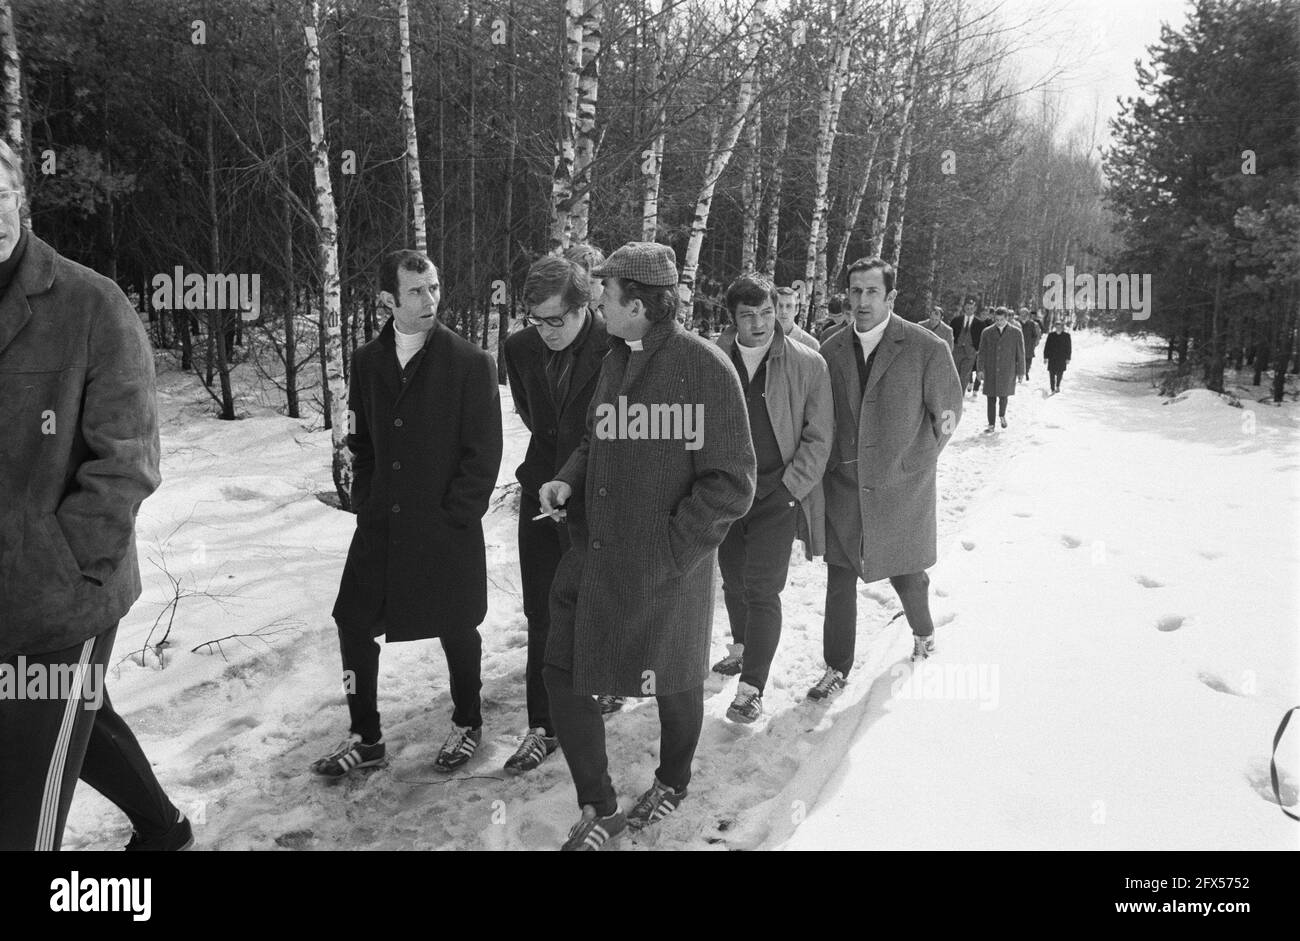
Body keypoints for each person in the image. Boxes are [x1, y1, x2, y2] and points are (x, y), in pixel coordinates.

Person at [0, 139, 191, 851]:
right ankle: (164, 832)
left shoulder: (90, 303)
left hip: (63, 599)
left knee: (20, 818)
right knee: (84, 722)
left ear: (21, 195)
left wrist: (56, 565)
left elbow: (127, 462)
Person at [538, 241, 755, 850]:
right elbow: (593, 439)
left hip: (667, 568)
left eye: (606, 296)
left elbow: (731, 483)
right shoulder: (614, 359)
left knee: (676, 678)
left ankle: (674, 778)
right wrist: (567, 480)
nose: (599, 306)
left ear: (636, 304)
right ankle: (600, 808)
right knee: (562, 670)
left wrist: (671, 551)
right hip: (598, 554)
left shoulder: (706, 369)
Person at [316, 250, 503, 778]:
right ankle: (366, 736)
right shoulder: (366, 362)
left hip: (446, 525)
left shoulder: (470, 363)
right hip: (382, 523)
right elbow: (362, 439)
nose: (430, 300)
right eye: (417, 291)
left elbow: (484, 452)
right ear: (387, 300)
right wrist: (368, 503)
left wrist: (457, 515)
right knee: (351, 621)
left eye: (435, 288)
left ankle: (468, 721)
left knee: (457, 625)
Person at [808, 257, 963, 701]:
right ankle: (836, 668)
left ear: (891, 297)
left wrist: (916, 462)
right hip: (844, 488)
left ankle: (923, 632)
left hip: (901, 488)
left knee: (906, 575)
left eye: (871, 292)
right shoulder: (829, 350)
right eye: (854, 292)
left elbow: (947, 414)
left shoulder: (926, 348)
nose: (861, 301)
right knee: (840, 580)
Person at [501, 256, 611, 772]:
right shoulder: (518, 349)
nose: (544, 331)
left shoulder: (616, 345)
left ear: (583, 306)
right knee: (541, 610)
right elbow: (537, 421)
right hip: (540, 494)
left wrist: (578, 479)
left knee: (598, 605)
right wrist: (547, 482)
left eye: (556, 320)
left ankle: (603, 686)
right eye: (535, 319)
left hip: (599, 495)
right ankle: (543, 725)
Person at [712, 274, 832, 723]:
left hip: (776, 495)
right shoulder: (710, 358)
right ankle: (742, 649)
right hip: (723, 494)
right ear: (733, 318)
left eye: (766, 312)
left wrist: (789, 490)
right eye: (748, 315)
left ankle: (751, 688)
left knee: (763, 589)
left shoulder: (807, 362)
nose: (760, 323)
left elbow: (819, 437)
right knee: (733, 582)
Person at [975, 306, 1025, 430]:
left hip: (1007, 369)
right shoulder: (987, 332)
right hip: (991, 369)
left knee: (1004, 396)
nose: (999, 322)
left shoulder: (1016, 332)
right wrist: (980, 369)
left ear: (1007, 318)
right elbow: (981, 352)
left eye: (1001, 320)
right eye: (996, 319)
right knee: (990, 397)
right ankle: (991, 424)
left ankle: (1002, 415)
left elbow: (1020, 353)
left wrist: (1021, 372)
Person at [949, 297, 984, 394]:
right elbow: (950, 334)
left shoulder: (980, 323)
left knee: (965, 375)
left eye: (972, 308)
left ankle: (960, 395)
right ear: (964, 308)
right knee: (954, 373)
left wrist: (976, 350)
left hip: (970, 352)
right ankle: (951, 394)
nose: (969, 311)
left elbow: (982, 339)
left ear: (975, 309)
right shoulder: (956, 320)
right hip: (957, 350)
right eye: (967, 308)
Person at [775, 286, 820, 350]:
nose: (784, 311)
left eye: (789, 306)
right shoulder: (761, 340)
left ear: (796, 309)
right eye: (780, 306)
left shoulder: (811, 345)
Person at [1043, 321, 1072, 393]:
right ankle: (1052, 388)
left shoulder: (1066, 336)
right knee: (1051, 373)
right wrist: (1045, 357)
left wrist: (1068, 358)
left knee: (1060, 373)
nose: (1058, 328)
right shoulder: (1051, 335)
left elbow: (1069, 348)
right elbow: (1047, 346)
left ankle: (1058, 385)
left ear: (1062, 327)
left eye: (1060, 327)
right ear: (1055, 327)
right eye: (1057, 326)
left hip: (1062, 358)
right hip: (1052, 357)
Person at [1018, 306, 1042, 379]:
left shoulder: (1032, 324)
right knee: (1019, 360)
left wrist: (1033, 344)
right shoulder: (1017, 324)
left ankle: (1026, 372)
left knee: (1028, 360)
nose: (1024, 316)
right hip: (1019, 345)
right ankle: (1020, 373)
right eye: (1022, 315)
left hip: (1029, 346)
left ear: (1028, 315)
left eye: (1025, 315)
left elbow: (1035, 335)